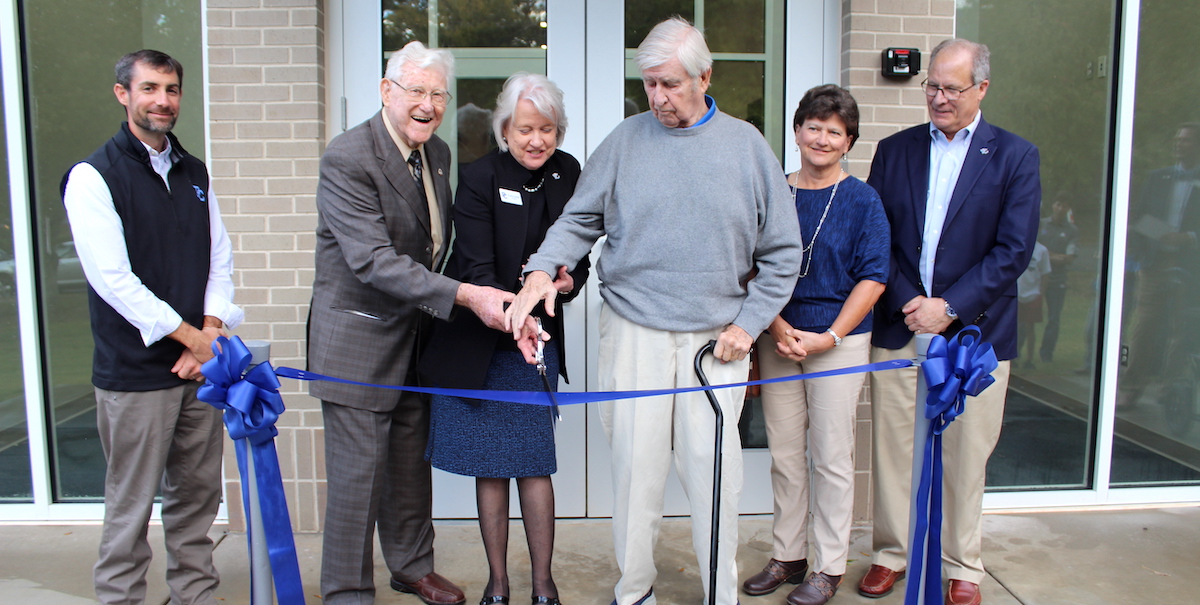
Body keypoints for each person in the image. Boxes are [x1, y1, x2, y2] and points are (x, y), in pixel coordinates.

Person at [505, 17, 803, 605]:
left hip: (717, 342)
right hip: (634, 330)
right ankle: (633, 590)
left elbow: (784, 253)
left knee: (714, 478)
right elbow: (580, 219)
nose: (658, 98)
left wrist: (749, 325)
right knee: (636, 476)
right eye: (649, 85)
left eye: (670, 84)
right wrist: (542, 268)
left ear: (704, 75)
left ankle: (720, 594)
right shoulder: (624, 141)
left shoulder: (747, 147)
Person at [307, 41, 537, 605]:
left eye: (438, 94)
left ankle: (411, 566)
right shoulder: (348, 157)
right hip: (358, 342)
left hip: (416, 337)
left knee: (411, 466)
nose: (428, 104)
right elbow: (373, 262)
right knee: (359, 481)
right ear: (387, 91)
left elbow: (436, 244)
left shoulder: (435, 153)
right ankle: (346, 591)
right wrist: (467, 296)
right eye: (416, 91)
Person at [860, 38, 1041, 605]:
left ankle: (962, 563)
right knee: (893, 448)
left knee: (966, 454)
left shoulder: (1014, 155)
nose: (938, 97)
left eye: (951, 88)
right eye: (931, 86)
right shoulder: (895, 150)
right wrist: (913, 302)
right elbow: (877, 237)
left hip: (975, 335)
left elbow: (1013, 251)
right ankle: (892, 553)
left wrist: (949, 308)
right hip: (901, 324)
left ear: (981, 88)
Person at [62, 49, 243, 605]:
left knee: (196, 499)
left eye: (171, 89)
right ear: (123, 94)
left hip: (196, 372)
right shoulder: (94, 178)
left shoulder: (194, 171)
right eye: (149, 89)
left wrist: (209, 333)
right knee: (131, 506)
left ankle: (195, 595)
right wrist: (193, 338)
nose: (162, 100)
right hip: (135, 377)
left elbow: (220, 262)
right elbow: (114, 282)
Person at [419, 73, 589, 605]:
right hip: (484, 338)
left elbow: (577, 251)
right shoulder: (478, 175)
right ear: (504, 131)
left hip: (535, 339)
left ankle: (543, 584)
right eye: (524, 129)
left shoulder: (569, 172)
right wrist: (517, 313)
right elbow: (476, 265)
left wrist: (569, 281)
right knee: (490, 466)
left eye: (546, 129)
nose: (536, 140)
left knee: (535, 461)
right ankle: (498, 582)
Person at [741, 85, 888, 605]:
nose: (822, 138)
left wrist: (830, 335)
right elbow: (754, 269)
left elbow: (873, 278)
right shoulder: (773, 192)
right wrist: (777, 328)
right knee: (784, 455)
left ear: (848, 142)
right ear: (798, 131)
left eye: (835, 131)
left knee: (831, 457)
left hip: (839, 343)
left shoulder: (863, 200)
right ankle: (788, 555)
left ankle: (826, 566)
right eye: (814, 127)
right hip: (778, 338)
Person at [1120, 123, 1200, 406]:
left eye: (1187, 140)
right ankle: (1132, 387)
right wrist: (1157, 239)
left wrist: (1188, 238)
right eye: (1178, 139)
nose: (1180, 144)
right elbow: (1139, 217)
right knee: (1145, 326)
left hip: (1190, 268)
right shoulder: (1159, 177)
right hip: (1155, 265)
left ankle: (1170, 390)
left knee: (1182, 329)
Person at [1037, 194, 1078, 363]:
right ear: (1053, 205)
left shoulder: (1072, 230)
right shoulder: (1041, 225)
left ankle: (1046, 353)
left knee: (1054, 318)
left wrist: (1046, 254)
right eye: (1059, 204)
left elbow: (1069, 257)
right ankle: (1020, 354)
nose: (1061, 209)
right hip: (1036, 279)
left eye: (1065, 206)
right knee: (1025, 318)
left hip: (1058, 280)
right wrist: (1053, 256)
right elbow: (1033, 250)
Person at [1016, 241, 1051, 369]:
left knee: (1030, 328)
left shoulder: (1042, 250)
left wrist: (1041, 293)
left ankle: (1029, 359)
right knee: (1015, 328)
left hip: (1033, 294)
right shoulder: (1017, 246)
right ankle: (1014, 356)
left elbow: (1045, 274)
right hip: (1017, 294)